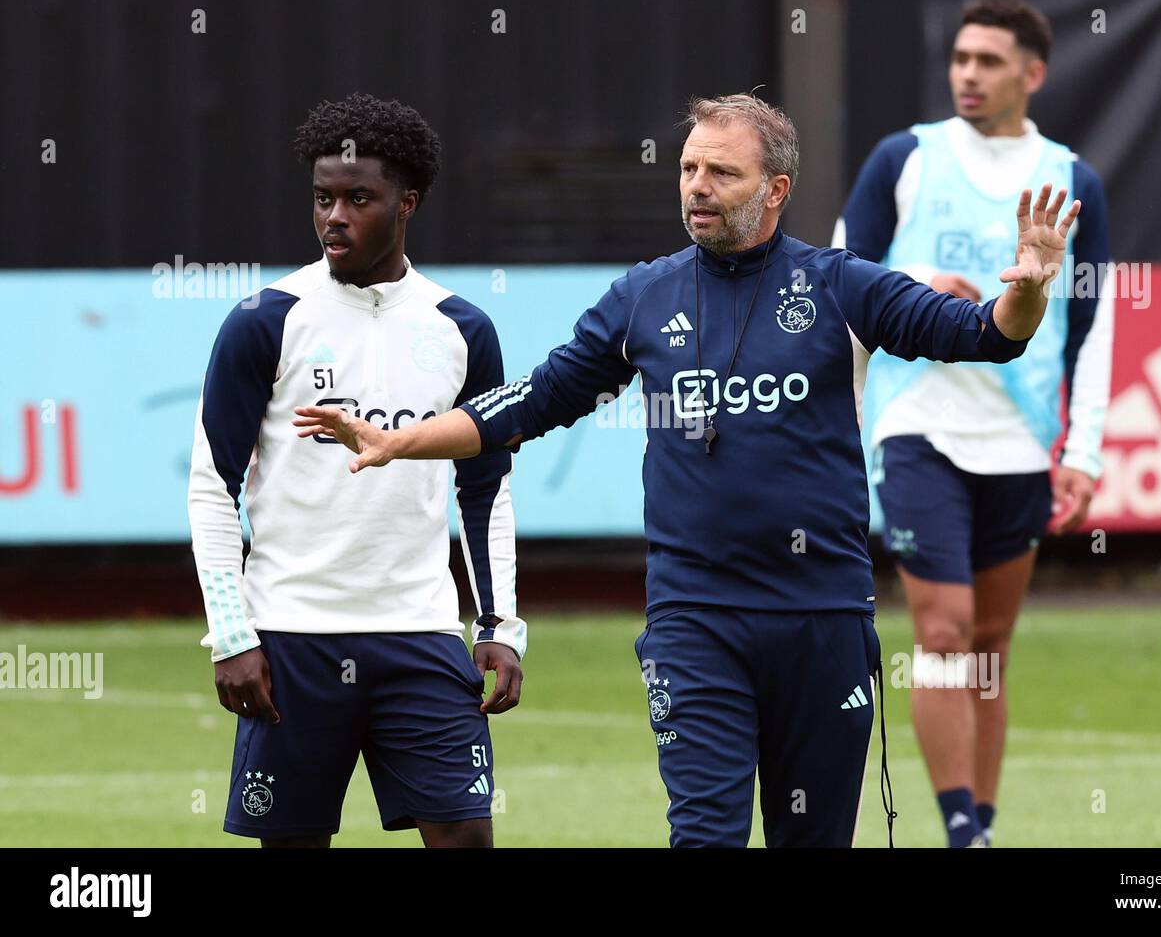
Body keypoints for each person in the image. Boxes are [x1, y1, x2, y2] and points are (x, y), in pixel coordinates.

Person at [295, 93, 1079, 847]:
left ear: (775, 190)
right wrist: (402, 441)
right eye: (687, 169)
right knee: (704, 834)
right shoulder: (644, 294)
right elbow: (536, 399)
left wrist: (1031, 295)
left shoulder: (841, 285)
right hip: (694, 619)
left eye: (721, 173)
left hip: (824, 618)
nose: (697, 187)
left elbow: (983, 334)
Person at [187, 93, 523, 848]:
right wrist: (232, 634)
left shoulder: (463, 328)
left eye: (357, 199)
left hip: (420, 634)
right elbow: (214, 487)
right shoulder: (263, 321)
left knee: (468, 839)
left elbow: (487, 486)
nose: (334, 216)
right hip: (291, 638)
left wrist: (500, 624)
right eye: (322, 198)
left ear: (407, 203)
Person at [833, 0, 1113, 847]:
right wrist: (913, 281)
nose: (968, 73)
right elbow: (837, 281)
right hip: (917, 424)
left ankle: (981, 824)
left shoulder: (1073, 179)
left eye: (989, 61)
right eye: (960, 58)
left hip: (1021, 437)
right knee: (944, 630)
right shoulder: (905, 158)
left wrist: (1084, 448)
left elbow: (1097, 325)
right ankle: (961, 828)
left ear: (1033, 74)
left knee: (990, 643)